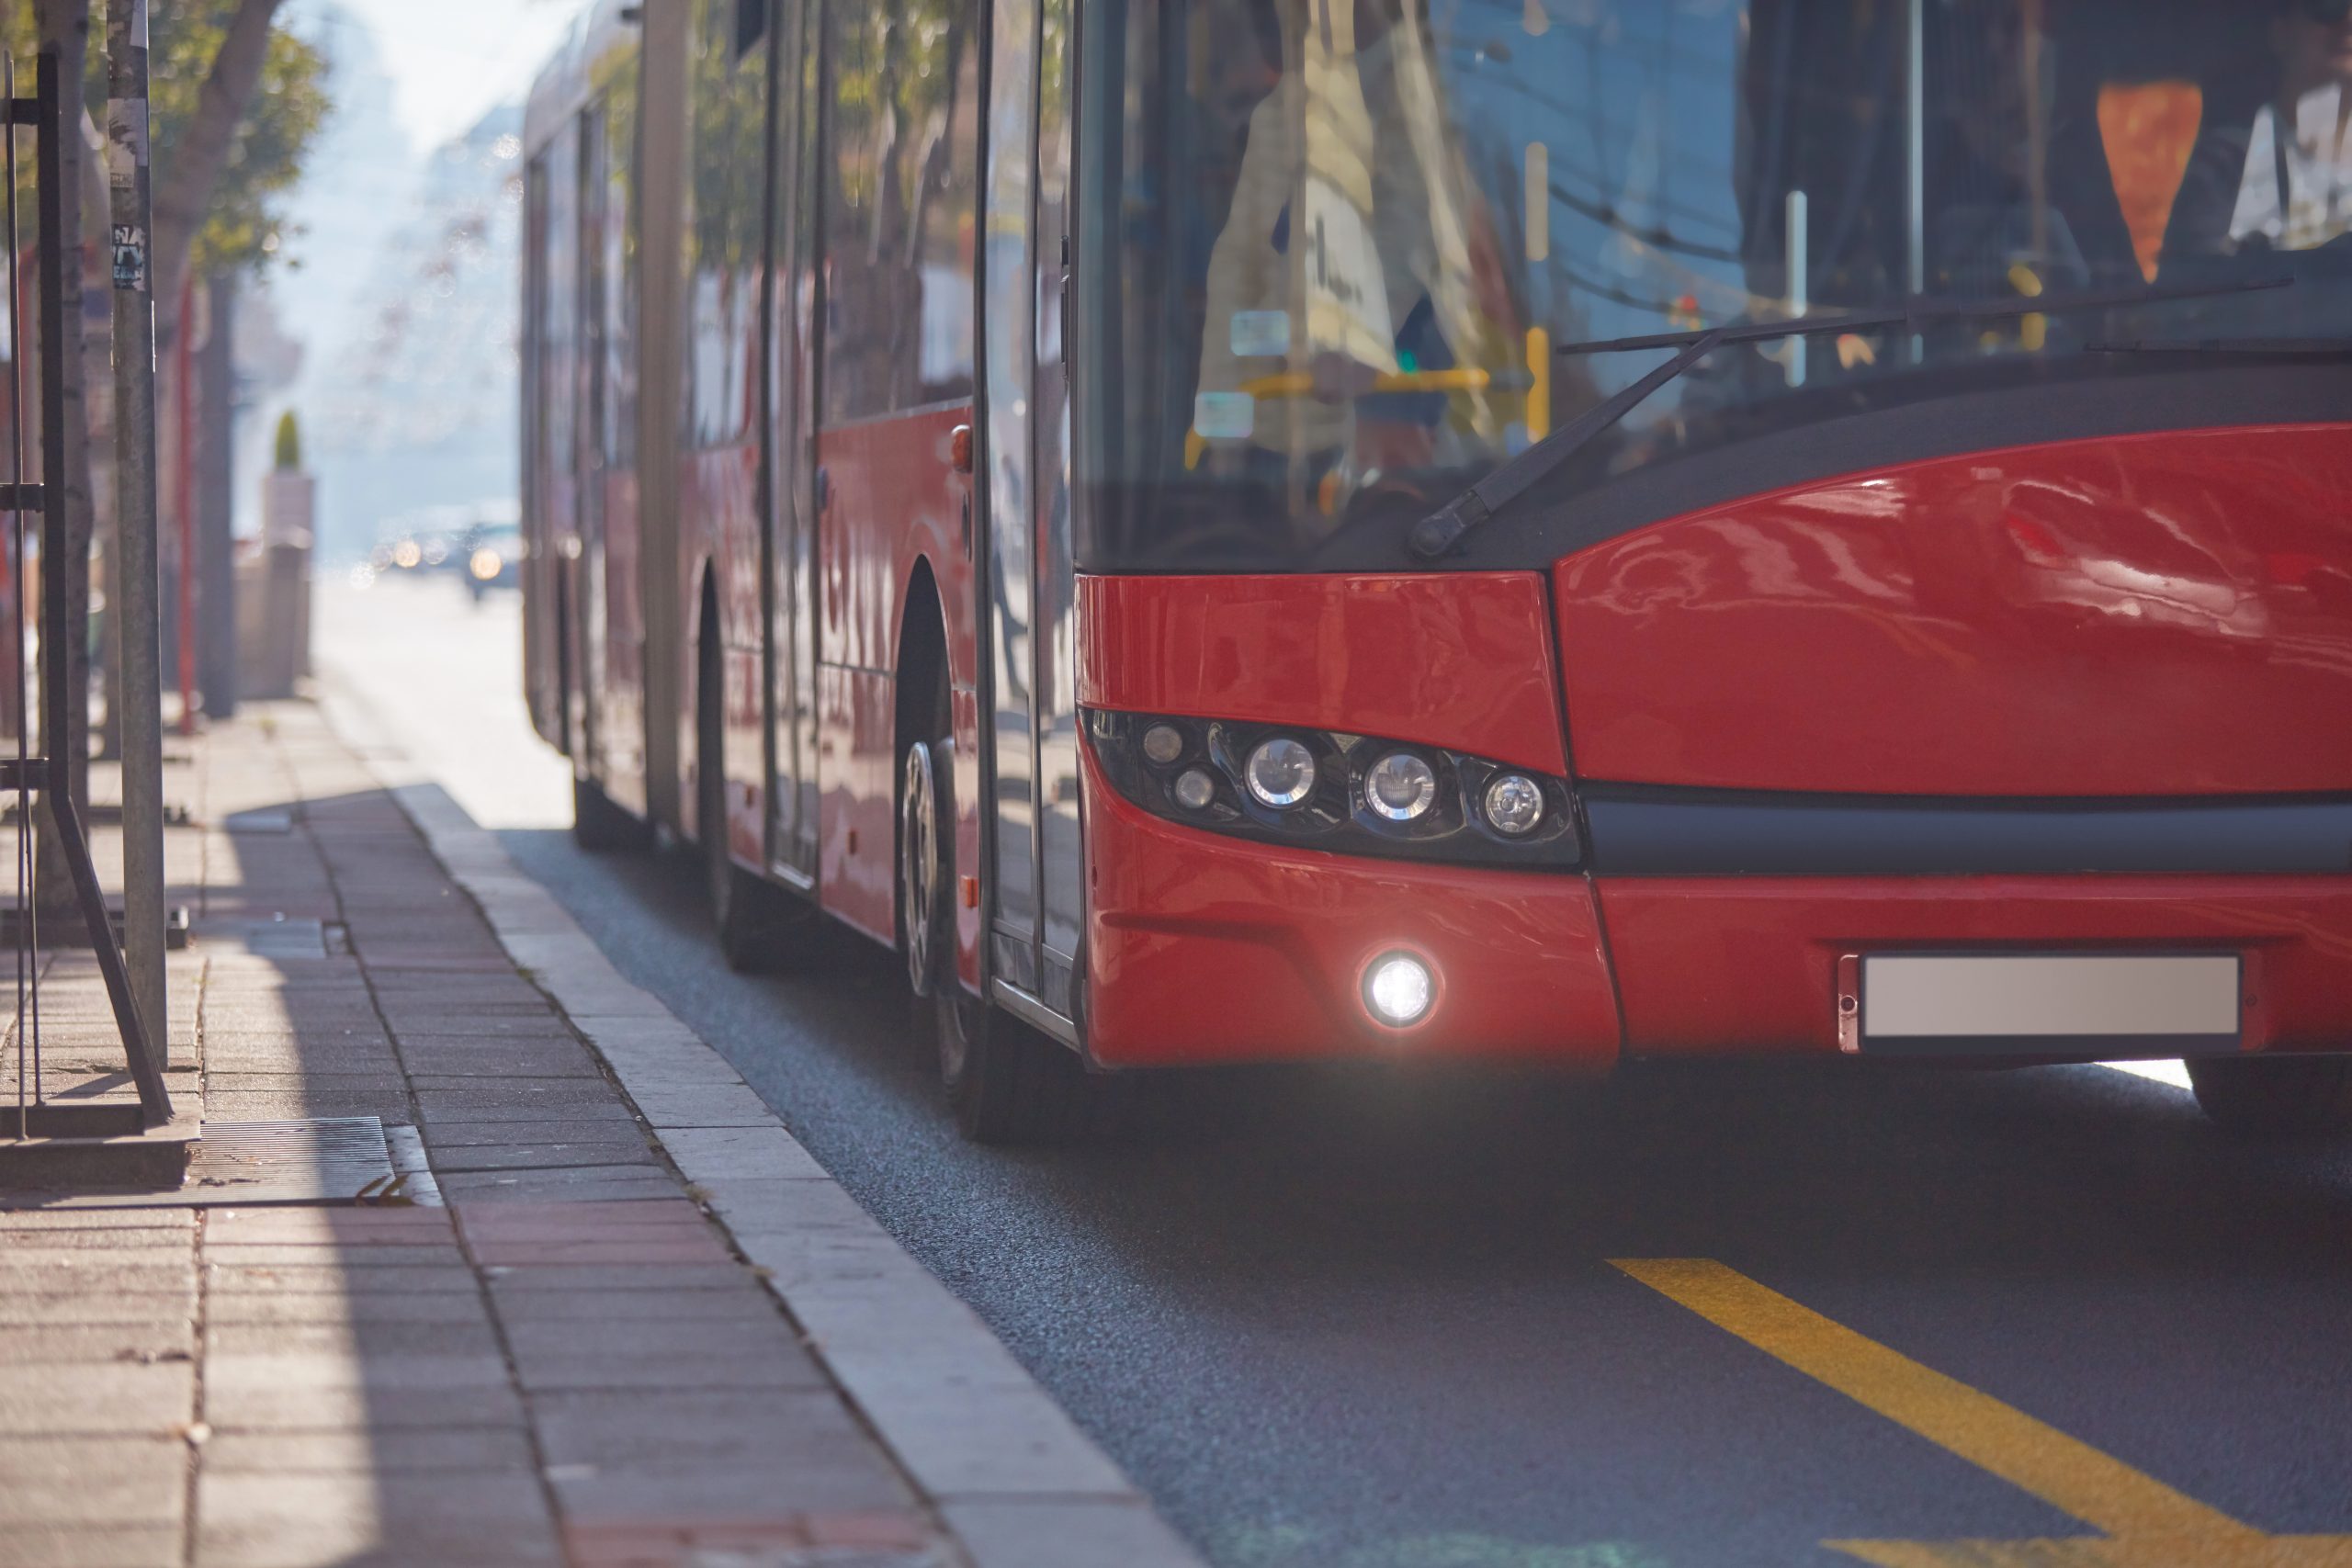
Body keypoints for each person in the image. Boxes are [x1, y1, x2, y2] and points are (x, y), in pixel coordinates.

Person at [2164, 0, 2352, 266]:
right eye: (2328, 7)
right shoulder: (2225, 164)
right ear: (2281, 33)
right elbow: (2197, 291)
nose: (2348, 22)